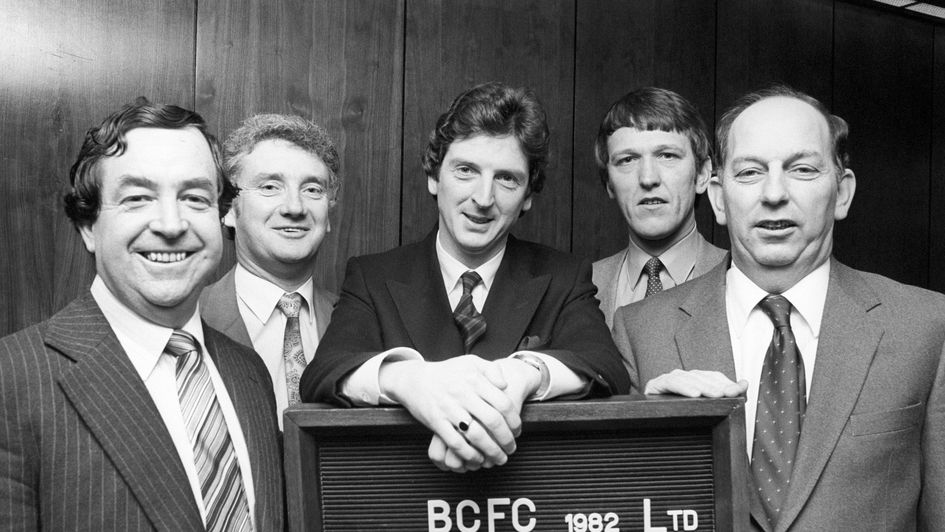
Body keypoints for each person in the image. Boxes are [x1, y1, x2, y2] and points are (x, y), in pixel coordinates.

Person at [612, 85, 945, 530]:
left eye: (802, 169)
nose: (773, 193)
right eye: (749, 172)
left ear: (842, 193)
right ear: (717, 198)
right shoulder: (641, 330)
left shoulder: (925, 325)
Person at [300, 81, 629, 473]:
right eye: (466, 171)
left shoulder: (563, 276)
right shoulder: (373, 276)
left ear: (527, 196)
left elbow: (607, 368)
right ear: (434, 177)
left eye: (507, 178)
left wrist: (522, 374)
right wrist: (408, 379)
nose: (483, 197)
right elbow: (321, 374)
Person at [0, 99, 284, 530]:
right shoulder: (11, 379)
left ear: (220, 215)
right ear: (88, 226)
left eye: (194, 197)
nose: (171, 224)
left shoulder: (250, 375)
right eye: (137, 198)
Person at [201, 114, 339, 428]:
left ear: (328, 215)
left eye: (313, 190)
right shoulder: (189, 322)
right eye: (270, 187)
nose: (294, 207)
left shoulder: (359, 322)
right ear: (228, 210)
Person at [592, 87, 725, 328]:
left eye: (667, 155)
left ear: (703, 174)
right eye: (627, 160)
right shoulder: (580, 288)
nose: (648, 178)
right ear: (609, 183)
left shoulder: (739, 278)